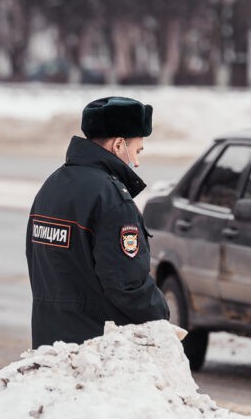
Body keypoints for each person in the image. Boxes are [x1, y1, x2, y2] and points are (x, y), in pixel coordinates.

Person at [26, 96, 170, 347]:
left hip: (47, 339)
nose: (136, 162)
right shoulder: (110, 198)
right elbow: (126, 283)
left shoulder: (52, 185)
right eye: (136, 150)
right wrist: (161, 319)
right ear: (118, 145)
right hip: (93, 349)